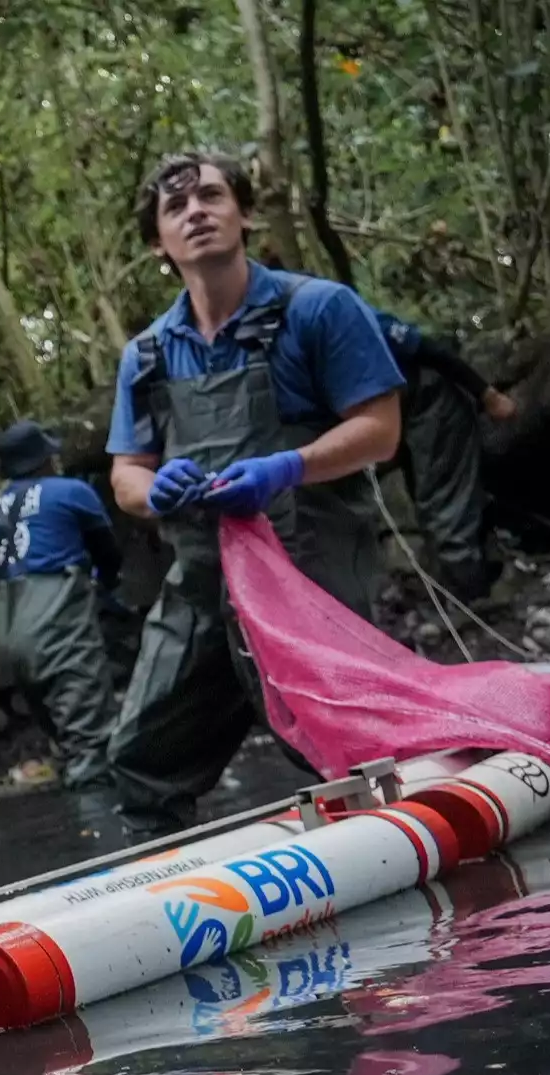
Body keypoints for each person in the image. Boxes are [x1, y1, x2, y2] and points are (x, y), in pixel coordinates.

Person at [104, 151, 407, 833]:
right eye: (176, 207)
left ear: (243, 212)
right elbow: (125, 474)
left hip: (309, 576)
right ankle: (166, 908)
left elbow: (381, 431)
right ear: (158, 242)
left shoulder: (320, 309)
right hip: (202, 585)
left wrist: (284, 469)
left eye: (211, 195)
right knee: (140, 760)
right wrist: (157, 494)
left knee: (343, 751)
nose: (196, 212)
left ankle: (402, 877)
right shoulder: (147, 355)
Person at [0, 420, 121, 789]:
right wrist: (103, 589)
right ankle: (115, 837)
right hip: (58, 618)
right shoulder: (70, 492)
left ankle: (81, 831)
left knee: (62, 739)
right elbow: (109, 554)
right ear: (44, 460)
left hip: (11, 630)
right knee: (91, 746)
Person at [371, 309, 520, 600]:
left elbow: (429, 350)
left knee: (442, 505)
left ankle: (476, 600)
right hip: (392, 412)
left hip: (430, 400)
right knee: (426, 500)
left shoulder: (339, 313)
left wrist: (487, 395)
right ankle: (474, 578)